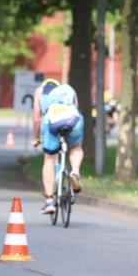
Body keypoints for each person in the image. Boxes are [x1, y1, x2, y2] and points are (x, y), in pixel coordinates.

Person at [32, 78, 84, 214]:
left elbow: (37, 119)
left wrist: (36, 137)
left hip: (52, 121)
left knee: (49, 158)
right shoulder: (69, 89)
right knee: (76, 147)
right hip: (73, 119)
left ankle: (49, 200)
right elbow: (75, 107)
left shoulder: (39, 91)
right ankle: (75, 171)